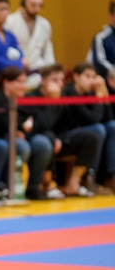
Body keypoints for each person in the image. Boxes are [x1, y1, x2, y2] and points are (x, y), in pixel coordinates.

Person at [27, 64, 101, 198]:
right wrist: (52, 101)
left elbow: (66, 124)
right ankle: (47, 185)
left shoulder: (62, 96)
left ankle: (73, 183)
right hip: (40, 138)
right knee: (45, 141)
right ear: (43, 81)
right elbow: (42, 125)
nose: (59, 84)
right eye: (54, 80)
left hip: (59, 138)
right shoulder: (31, 97)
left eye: (61, 80)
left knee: (91, 136)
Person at [0, 66, 50, 200]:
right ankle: (6, 185)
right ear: (6, 83)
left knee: (42, 144)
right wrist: (19, 129)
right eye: (19, 82)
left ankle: (33, 187)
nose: (23, 86)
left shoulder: (22, 99)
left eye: (24, 82)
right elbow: (1, 125)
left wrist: (20, 129)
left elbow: (33, 123)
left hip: (19, 136)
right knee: (21, 146)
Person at [59, 62, 115, 193]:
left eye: (94, 77)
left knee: (112, 127)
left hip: (84, 133)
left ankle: (111, 175)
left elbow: (109, 119)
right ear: (76, 77)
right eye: (87, 76)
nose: (92, 81)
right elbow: (92, 119)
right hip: (64, 135)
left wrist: (104, 95)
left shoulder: (89, 93)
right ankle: (89, 176)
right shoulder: (70, 92)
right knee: (98, 130)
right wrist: (99, 98)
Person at [4, 0, 54, 90]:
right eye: (33, 5)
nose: (37, 8)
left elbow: (48, 52)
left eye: (40, 5)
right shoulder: (10, 21)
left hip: (38, 73)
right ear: (24, 3)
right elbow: (5, 48)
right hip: (16, 72)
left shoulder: (45, 24)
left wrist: (51, 72)